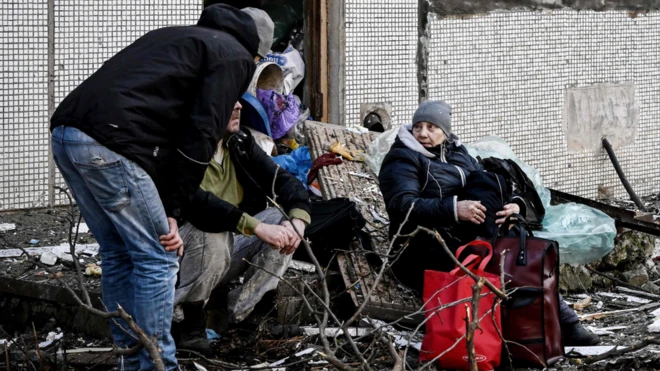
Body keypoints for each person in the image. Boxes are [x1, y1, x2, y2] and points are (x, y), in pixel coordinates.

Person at [49, 5, 259, 370]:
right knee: (158, 256)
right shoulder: (234, 56)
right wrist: (173, 211)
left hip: (68, 133)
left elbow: (160, 132)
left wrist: (167, 203)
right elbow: (199, 135)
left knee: (119, 253)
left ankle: (130, 360)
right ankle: (157, 364)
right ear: (253, 52)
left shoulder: (180, 38)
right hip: (112, 143)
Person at [379, 100, 600, 346]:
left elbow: (492, 187)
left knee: (515, 247)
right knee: (501, 258)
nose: (422, 133)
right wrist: (454, 209)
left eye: (432, 127)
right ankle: (551, 328)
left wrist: (516, 205)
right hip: (420, 248)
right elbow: (401, 205)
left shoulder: (458, 153)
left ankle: (555, 327)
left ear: (445, 131)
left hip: (462, 236)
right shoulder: (402, 159)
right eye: (418, 126)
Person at [173, 100, 311, 354]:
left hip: (225, 250)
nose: (237, 106)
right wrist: (255, 226)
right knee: (211, 230)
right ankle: (188, 324)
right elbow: (200, 205)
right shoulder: (184, 149)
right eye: (229, 97)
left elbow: (284, 180)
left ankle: (248, 312)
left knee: (281, 222)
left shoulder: (239, 143)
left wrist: (298, 221)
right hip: (182, 257)